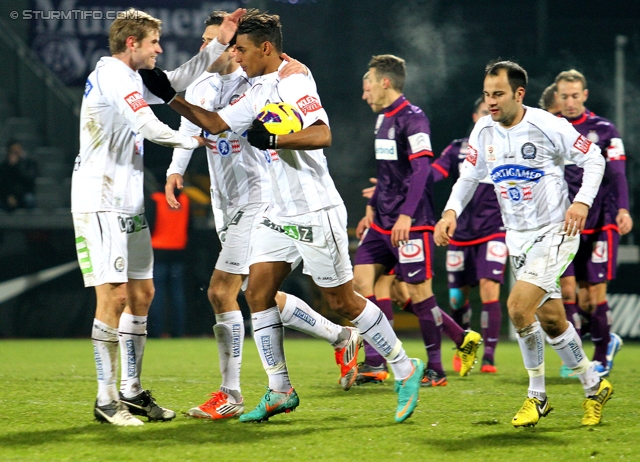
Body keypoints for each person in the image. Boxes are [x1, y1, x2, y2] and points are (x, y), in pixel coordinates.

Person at [141, 10, 425, 423]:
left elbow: (322, 133)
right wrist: (170, 97)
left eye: (241, 49)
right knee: (256, 293)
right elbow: (216, 124)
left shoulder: (294, 78)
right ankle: (279, 390)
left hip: (314, 208)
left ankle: (404, 366)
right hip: (276, 211)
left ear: (266, 48)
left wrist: (275, 137)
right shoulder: (254, 90)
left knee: (341, 300)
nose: (235, 55)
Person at [163, 11, 360, 421]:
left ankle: (230, 392)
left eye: (216, 41)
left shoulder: (258, 83)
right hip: (225, 199)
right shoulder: (203, 84)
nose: (207, 48)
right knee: (259, 294)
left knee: (221, 291)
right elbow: (198, 125)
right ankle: (340, 337)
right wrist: (176, 169)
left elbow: (280, 113)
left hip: (260, 198)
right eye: (205, 41)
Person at [71, 7, 244, 426]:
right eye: (153, 43)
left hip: (127, 203)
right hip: (100, 200)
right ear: (132, 44)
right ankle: (105, 398)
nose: (159, 50)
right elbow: (145, 123)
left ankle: (130, 391)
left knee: (142, 294)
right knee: (112, 297)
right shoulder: (113, 76)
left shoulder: (132, 76)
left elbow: (178, 79)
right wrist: (194, 138)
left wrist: (220, 41)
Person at [435, 60, 612, 427]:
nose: (491, 102)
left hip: (555, 232)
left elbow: (594, 158)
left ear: (519, 93)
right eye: (486, 95)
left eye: (498, 94)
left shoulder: (547, 125)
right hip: (516, 237)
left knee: (517, 307)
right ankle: (594, 387)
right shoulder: (483, 129)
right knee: (551, 320)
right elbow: (469, 177)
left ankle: (537, 397)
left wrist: (581, 201)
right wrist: (450, 212)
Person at [353, 57, 482, 388]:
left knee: (419, 293)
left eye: (369, 80)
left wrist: (407, 216)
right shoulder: (382, 120)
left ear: (385, 82)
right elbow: (386, 173)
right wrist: (371, 205)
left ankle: (436, 369)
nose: (365, 88)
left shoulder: (414, 118)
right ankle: (375, 360)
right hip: (381, 222)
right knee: (361, 282)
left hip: (412, 223)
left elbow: (421, 169)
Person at [555, 69, 631, 377]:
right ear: (557, 97)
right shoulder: (551, 129)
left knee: (593, 294)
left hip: (601, 220)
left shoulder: (604, 129)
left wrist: (623, 209)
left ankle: (601, 353)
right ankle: (579, 354)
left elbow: (617, 173)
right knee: (568, 290)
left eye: (575, 96)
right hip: (566, 223)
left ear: (584, 95)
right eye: (564, 96)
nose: (570, 102)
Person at [431, 97, 504, 374]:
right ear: (476, 117)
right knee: (456, 299)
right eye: (485, 112)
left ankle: (489, 357)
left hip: (494, 230)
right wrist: (410, 182)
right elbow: (435, 173)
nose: (490, 116)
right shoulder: (458, 148)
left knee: (488, 288)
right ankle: (465, 343)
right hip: (460, 233)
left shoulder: (508, 147)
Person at [147, 184, 189, 338]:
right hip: (178, 249)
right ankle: (178, 330)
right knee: (177, 293)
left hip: (158, 249)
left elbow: (149, 224)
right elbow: (190, 226)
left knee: (157, 291)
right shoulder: (184, 199)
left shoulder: (156, 199)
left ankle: (156, 330)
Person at [0, 140, 37, 211]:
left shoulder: (29, 164)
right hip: (9, 195)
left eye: (18, 151)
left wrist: (17, 166)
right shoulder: (4, 166)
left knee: (30, 200)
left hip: (24, 193)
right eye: (13, 151)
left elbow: (29, 181)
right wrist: (9, 196)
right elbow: (3, 183)